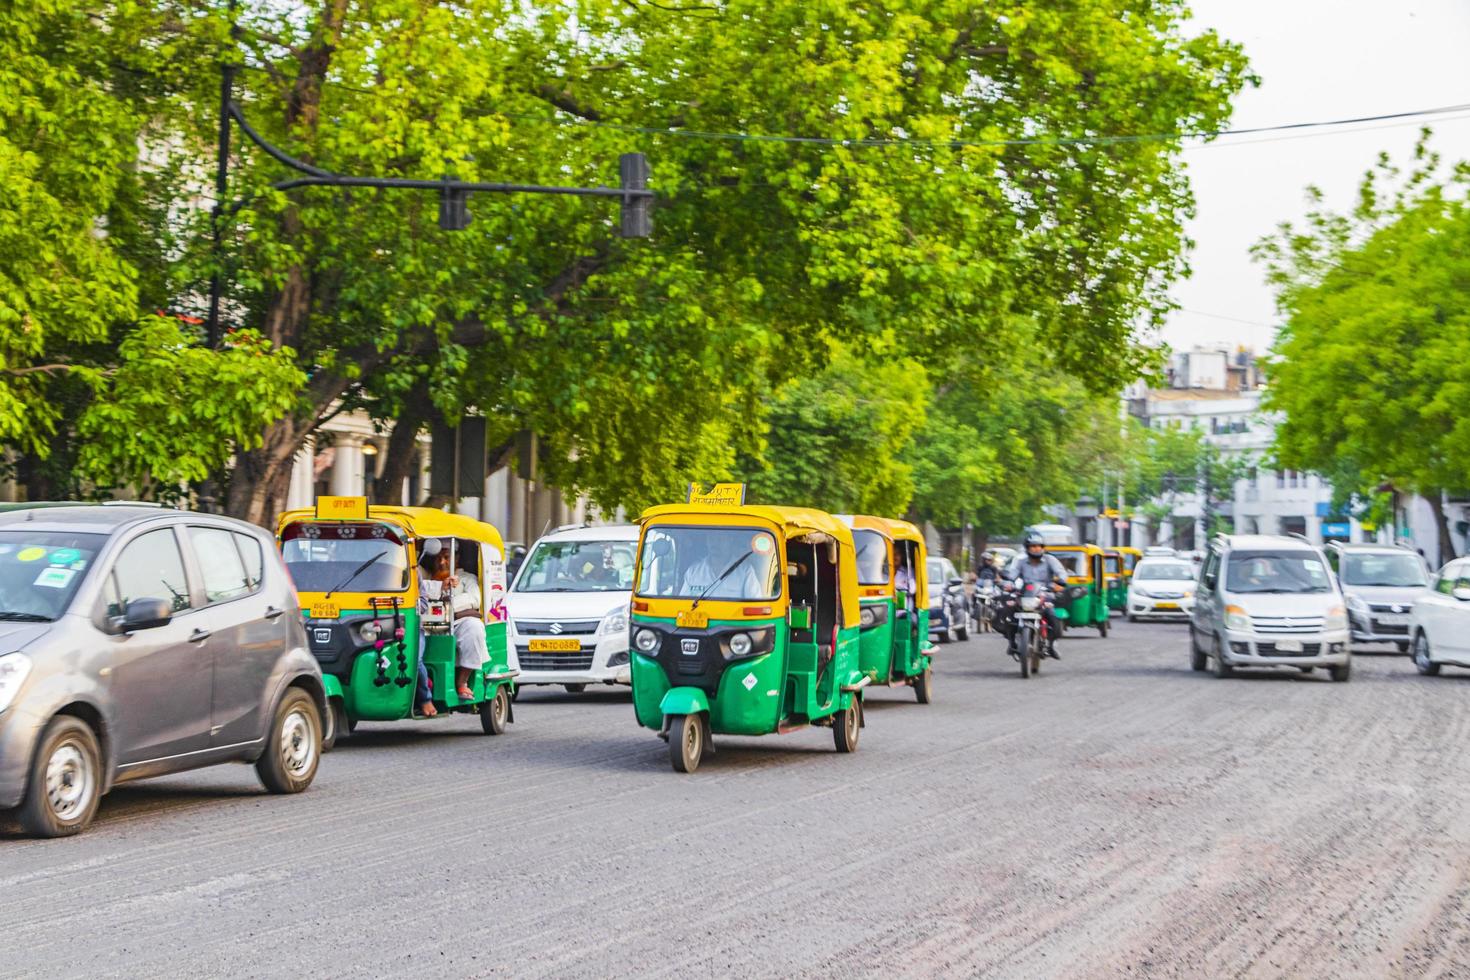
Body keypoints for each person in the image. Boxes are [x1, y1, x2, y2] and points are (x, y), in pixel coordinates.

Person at [1004, 533, 1067, 659]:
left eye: (1039, 546)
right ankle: (1011, 643)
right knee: (1007, 614)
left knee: (1054, 619)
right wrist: (1008, 583)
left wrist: (1059, 583)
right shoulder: (1021, 562)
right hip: (1024, 595)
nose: (1036, 549)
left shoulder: (1050, 560)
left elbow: (1062, 574)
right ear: (1027, 548)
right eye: (1033, 546)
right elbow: (1011, 575)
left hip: (1045, 595)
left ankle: (1052, 645)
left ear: (1043, 547)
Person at [680, 536, 764, 599]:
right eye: (711, 539)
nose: (715, 543)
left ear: (730, 540)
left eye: (720, 539)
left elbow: (755, 601)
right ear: (707, 541)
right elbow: (682, 603)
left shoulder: (745, 571)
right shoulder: (693, 571)